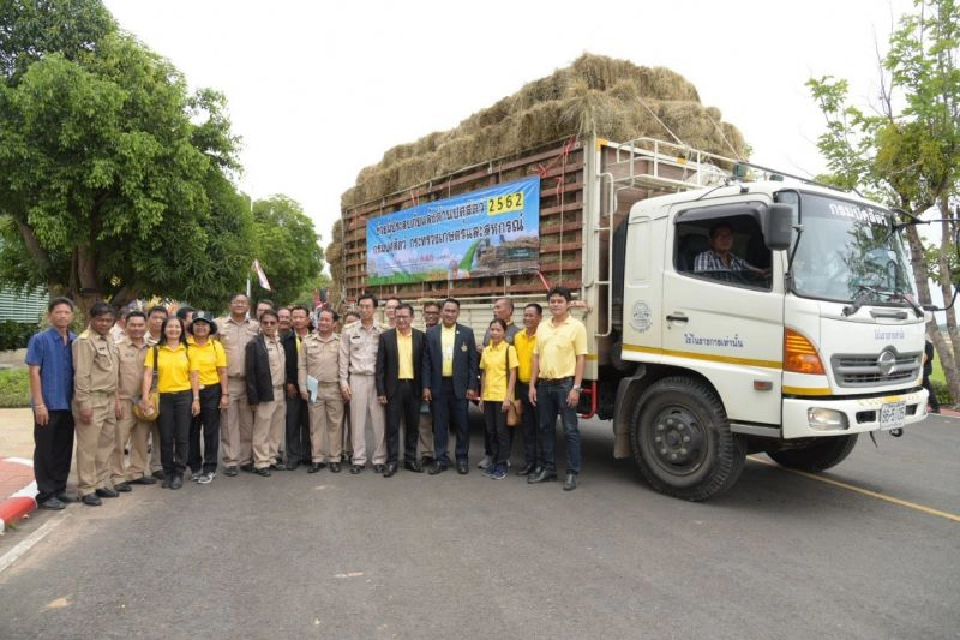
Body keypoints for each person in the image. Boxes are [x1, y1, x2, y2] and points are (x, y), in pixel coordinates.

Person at [529, 286, 588, 491]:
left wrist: (576, 388)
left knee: (570, 430)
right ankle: (549, 469)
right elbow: (536, 357)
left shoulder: (577, 326)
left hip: (566, 385)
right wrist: (532, 385)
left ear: (568, 304)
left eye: (560, 301)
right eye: (552, 301)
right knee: (545, 428)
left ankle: (572, 473)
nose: (556, 304)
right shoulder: (543, 327)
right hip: (544, 384)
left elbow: (581, 358)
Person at [27, 297, 78, 510]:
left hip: (69, 404)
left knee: (64, 448)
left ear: (72, 316)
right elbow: (34, 372)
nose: (63, 316)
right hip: (48, 404)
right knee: (45, 449)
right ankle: (46, 493)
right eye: (58, 312)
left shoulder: (76, 341)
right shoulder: (40, 340)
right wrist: (39, 404)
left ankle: (59, 488)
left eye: (67, 312)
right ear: (50, 316)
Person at [140, 316, 200, 490]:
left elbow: (194, 376)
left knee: (182, 437)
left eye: (177, 327)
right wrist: (145, 397)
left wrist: (196, 399)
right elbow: (148, 374)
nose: (173, 330)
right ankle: (168, 473)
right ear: (164, 330)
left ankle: (179, 473)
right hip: (162, 397)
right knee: (165, 437)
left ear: (181, 330)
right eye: (170, 327)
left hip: (184, 396)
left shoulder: (189, 350)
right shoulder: (155, 350)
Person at [72, 302, 121, 506]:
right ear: (91, 319)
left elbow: (113, 372)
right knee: (88, 447)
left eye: (108, 320)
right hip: (91, 399)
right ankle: (86, 488)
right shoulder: (84, 341)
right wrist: (84, 403)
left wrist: (116, 399)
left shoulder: (109, 338)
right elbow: (81, 375)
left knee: (105, 445)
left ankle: (100, 483)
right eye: (100, 319)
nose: (104, 323)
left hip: (109, 398)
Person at [422, 298, 479, 474]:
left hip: (460, 386)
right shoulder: (432, 333)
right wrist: (426, 386)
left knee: (462, 424)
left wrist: (472, 386)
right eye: (446, 311)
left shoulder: (466, 333)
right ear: (441, 313)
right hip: (438, 386)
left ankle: (462, 458)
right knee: (439, 425)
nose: (449, 314)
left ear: (458, 313)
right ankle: (441, 459)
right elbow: (426, 362)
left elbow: (472, 362)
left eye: (453, 311)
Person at [376, 303, 425, 477]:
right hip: (393, 388)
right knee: (392, 427)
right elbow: (380, 367)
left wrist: (426, 387)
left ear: (412, 318)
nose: (401, 320)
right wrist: (381, 391)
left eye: (405, 316)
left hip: (414, 387)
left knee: (413, 426)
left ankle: (411, 458)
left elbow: (425, 365)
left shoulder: (420, 337)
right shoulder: (386, 337)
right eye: (398, 317)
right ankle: (392, 461)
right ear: (394, 318)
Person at [340, 293, 386, 474]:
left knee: (379, 420)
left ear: (375, 309)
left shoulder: (384, 330)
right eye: (362, 306)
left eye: (368, 306)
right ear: (358, 308)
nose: (365, 309)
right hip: (356, 378)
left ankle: (379, 458)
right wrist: (344, 383)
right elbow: (344, 358)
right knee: (356, 421)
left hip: (377, 379)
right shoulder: (348, 330)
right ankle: (358, 459)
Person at [215, 293, 259, 476]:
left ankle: (246, 459)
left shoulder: (256, 326)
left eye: (243, 302)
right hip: (228, 381)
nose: (240, 305)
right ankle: (230, 460)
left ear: (248, 306)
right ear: (230, 304)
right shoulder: (220, 325)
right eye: (236, 302)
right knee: (228, 423)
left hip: (249, 382)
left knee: (248, 424)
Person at [299, 308, 344, 473]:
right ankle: (317, 459)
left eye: (327, 320)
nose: (324, 323)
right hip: (314, 389)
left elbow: (344, 366)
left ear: (334, 323)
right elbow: (302, 366)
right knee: (315, 426)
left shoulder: (340, 342)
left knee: (335, 425)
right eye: (321, 319)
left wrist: (344, 386)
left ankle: (335, 459)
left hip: (334, 388)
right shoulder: (307, 341)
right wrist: (303, 387)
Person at [115, 311, 155, 487]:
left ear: (145, 325)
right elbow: (113, 377)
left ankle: (136, 472)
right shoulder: (118, 348)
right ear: (126, 325)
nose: (137, 328)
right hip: (123, 400)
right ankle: (117, 476)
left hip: (144, 401)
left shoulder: (152, 348)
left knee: (141, 439)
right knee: (119, 440)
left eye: (140, 325)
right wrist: (115, 401)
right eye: (133, 325)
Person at [186, 312, 227, 484]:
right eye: (197, 324)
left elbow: (222, 371)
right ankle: (195, 466)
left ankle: (210, 467)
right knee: (191, 431)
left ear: (211, 327)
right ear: (192, 326)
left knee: (210, 431)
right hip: (188, 391)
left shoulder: (216, 346)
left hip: (212, 391)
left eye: (204, 324)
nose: (201, 327)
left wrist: (224, 394)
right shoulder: (185, 345)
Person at [479, 297, 520, 469]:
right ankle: (493, 460)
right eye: (492, 330)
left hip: (503, 395)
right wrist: (481, 397)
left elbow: (513, 373)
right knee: (491, 430)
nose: (494, 333)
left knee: (503, 430)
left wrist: (508, 397)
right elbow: (484, 372)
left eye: (499, 307)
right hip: (488, 396)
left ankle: (502, 462)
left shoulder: (515, 335)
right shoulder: (487, 349)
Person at [245, 309, 286, 477]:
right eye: (265, 323)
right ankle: (260, 462)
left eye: (272, 323)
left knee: (276, 428)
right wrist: (253, 397)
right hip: (264, 393)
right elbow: (251, 373)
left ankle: (271, 458)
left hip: (279, 390)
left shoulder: (279, 341)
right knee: (262, 428)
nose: (269, 326)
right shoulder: (254, 344)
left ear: (277, 324)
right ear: (260, 325)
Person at [513, 303, 542, 475]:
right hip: (522, 387)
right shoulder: (518, 336)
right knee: (527, 428)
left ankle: (540, 464)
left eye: (531, 315)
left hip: (538, 387)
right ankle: (530, 462)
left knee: (540, 427)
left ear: (539, 317)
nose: (527, 318)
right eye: (525, 315)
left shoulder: (543, 337)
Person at [282, 305, 312, 470]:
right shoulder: (285, 339)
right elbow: (283, 364)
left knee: (309, 421)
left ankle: (308, 454)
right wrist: (289, 382)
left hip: (311, 385)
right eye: (295, 317)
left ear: (308, 319)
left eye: (302, 317)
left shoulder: (314, 337)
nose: (298, 320)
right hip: (292, 385)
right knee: (292, 421)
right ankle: (293, 456)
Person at [694, 223, 767, 279]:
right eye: (720, 236)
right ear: (711, 241)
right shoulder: (704, 257)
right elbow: (702, 284)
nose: (725, 239)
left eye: (728, 236)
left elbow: (757, 272)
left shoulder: (736, 260)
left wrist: (765, 272)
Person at [144, 305, 168, 480]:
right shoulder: (139, 338)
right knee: (140, 432)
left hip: (165, 391)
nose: (158, 321)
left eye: (162, 318)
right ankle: (135, 470)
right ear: (148, 320)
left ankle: (157, 465)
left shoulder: (171, 340)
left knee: (161, 432)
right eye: (155, 317)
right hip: (142, 391)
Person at [417, 301, 440, 467]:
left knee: (440, 421)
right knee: (424, 421)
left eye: (434, 313)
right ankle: (426, 453)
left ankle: (442, 452)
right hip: (420, 385)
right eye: (428, 313)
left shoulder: (444, 333)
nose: (431, 316)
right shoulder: (417, 334)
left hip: (440, 385)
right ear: (423, 315)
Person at [923, 338, 940, 414]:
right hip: (923, 369)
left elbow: (929, 357)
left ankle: (935, 407)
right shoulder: (926, 343)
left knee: (927, 388)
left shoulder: (927, 344)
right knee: (926, 388)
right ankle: (934, 407)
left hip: (924, 369)